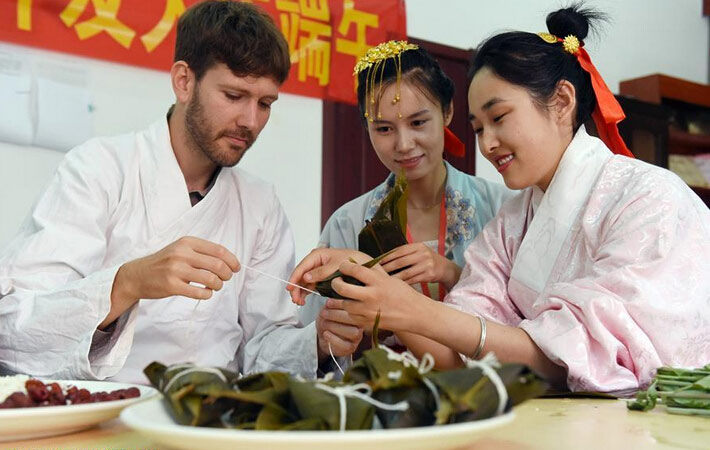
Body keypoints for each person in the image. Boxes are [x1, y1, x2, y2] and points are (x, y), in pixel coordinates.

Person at [289, 5, 710, 392]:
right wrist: (372, 280)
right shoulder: (510, 224)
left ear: (562, 101)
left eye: (499, 118)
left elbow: (573, 357)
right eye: (478, 128)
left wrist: (404, 306)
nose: (488, 143)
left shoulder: (648, 198)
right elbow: (458, 360)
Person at [0, 1, 317, 383]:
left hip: (211, 419)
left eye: (265, 103)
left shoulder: (260, 204)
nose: (250, 121)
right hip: (106, 420)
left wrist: (321, 338)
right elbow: (15, 330)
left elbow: (266, 347)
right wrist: (128, 283)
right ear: (184, 81)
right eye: (234, 96)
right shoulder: (98, 169)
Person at [289, 41, 514, 363]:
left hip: (480, 390)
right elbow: (315, 338)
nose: (404, 144)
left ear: (447, 112)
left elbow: (524, 321)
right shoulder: (348, 222)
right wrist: (329, 334)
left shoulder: (502, 208)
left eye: (418, 123)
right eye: (384, 128)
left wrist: (452, 273)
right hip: (382, 393)